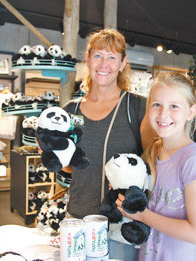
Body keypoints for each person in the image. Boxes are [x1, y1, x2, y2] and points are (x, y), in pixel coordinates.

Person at [62, 28, 153, 260]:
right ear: (88, 60)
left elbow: (152, 166)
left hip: (121, 224)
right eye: (98, 56)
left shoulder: (137, 108)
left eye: (112, 57)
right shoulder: (69, 111)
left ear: (123, 63)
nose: (104, 64)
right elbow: (70, 168)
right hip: (77, 218)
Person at [116, 72, 196, 260]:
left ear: (191, 112)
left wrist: (142, 216)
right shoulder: (153, 152)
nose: (163, 114)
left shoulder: (193, 159)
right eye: (157, 105)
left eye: (174, 106)